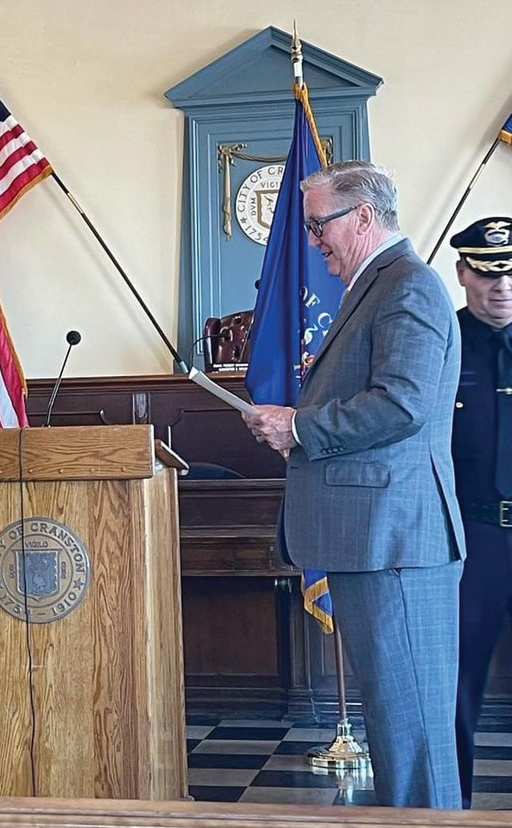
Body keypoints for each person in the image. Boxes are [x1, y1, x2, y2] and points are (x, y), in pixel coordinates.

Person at [243, 160, 465, 808]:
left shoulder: (408, 286)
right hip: (377, 544)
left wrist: (301, 427)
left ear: (363, 217)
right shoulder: (379, 286)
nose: (313, 243)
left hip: (396, 544)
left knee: (414, 740)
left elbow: (404, 403)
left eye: (319, 227)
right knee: (400, 735)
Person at [450, 217, 512, 809]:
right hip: (474, 537)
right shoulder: (442, 342)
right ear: (463, 273)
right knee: (458, 688)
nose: (503, 286)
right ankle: (455, 811)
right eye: (489, 273)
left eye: (511, 273)